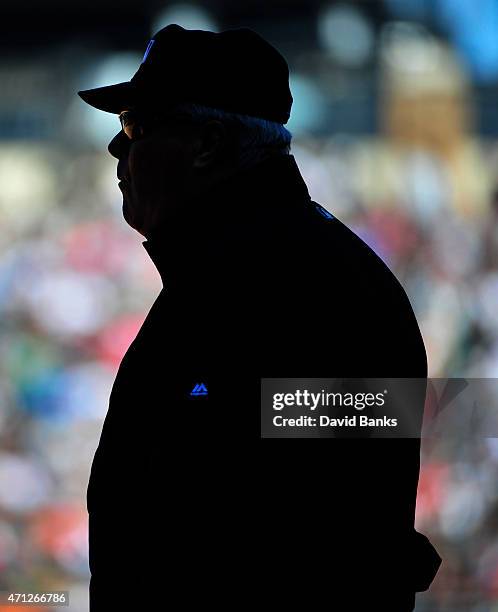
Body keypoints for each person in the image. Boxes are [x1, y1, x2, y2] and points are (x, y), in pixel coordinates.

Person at [78, 23, 441, 611]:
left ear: (207, 144)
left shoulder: (317, 287)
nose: (118, 150)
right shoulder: (233, 271)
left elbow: (337, 533)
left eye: (136, 126)